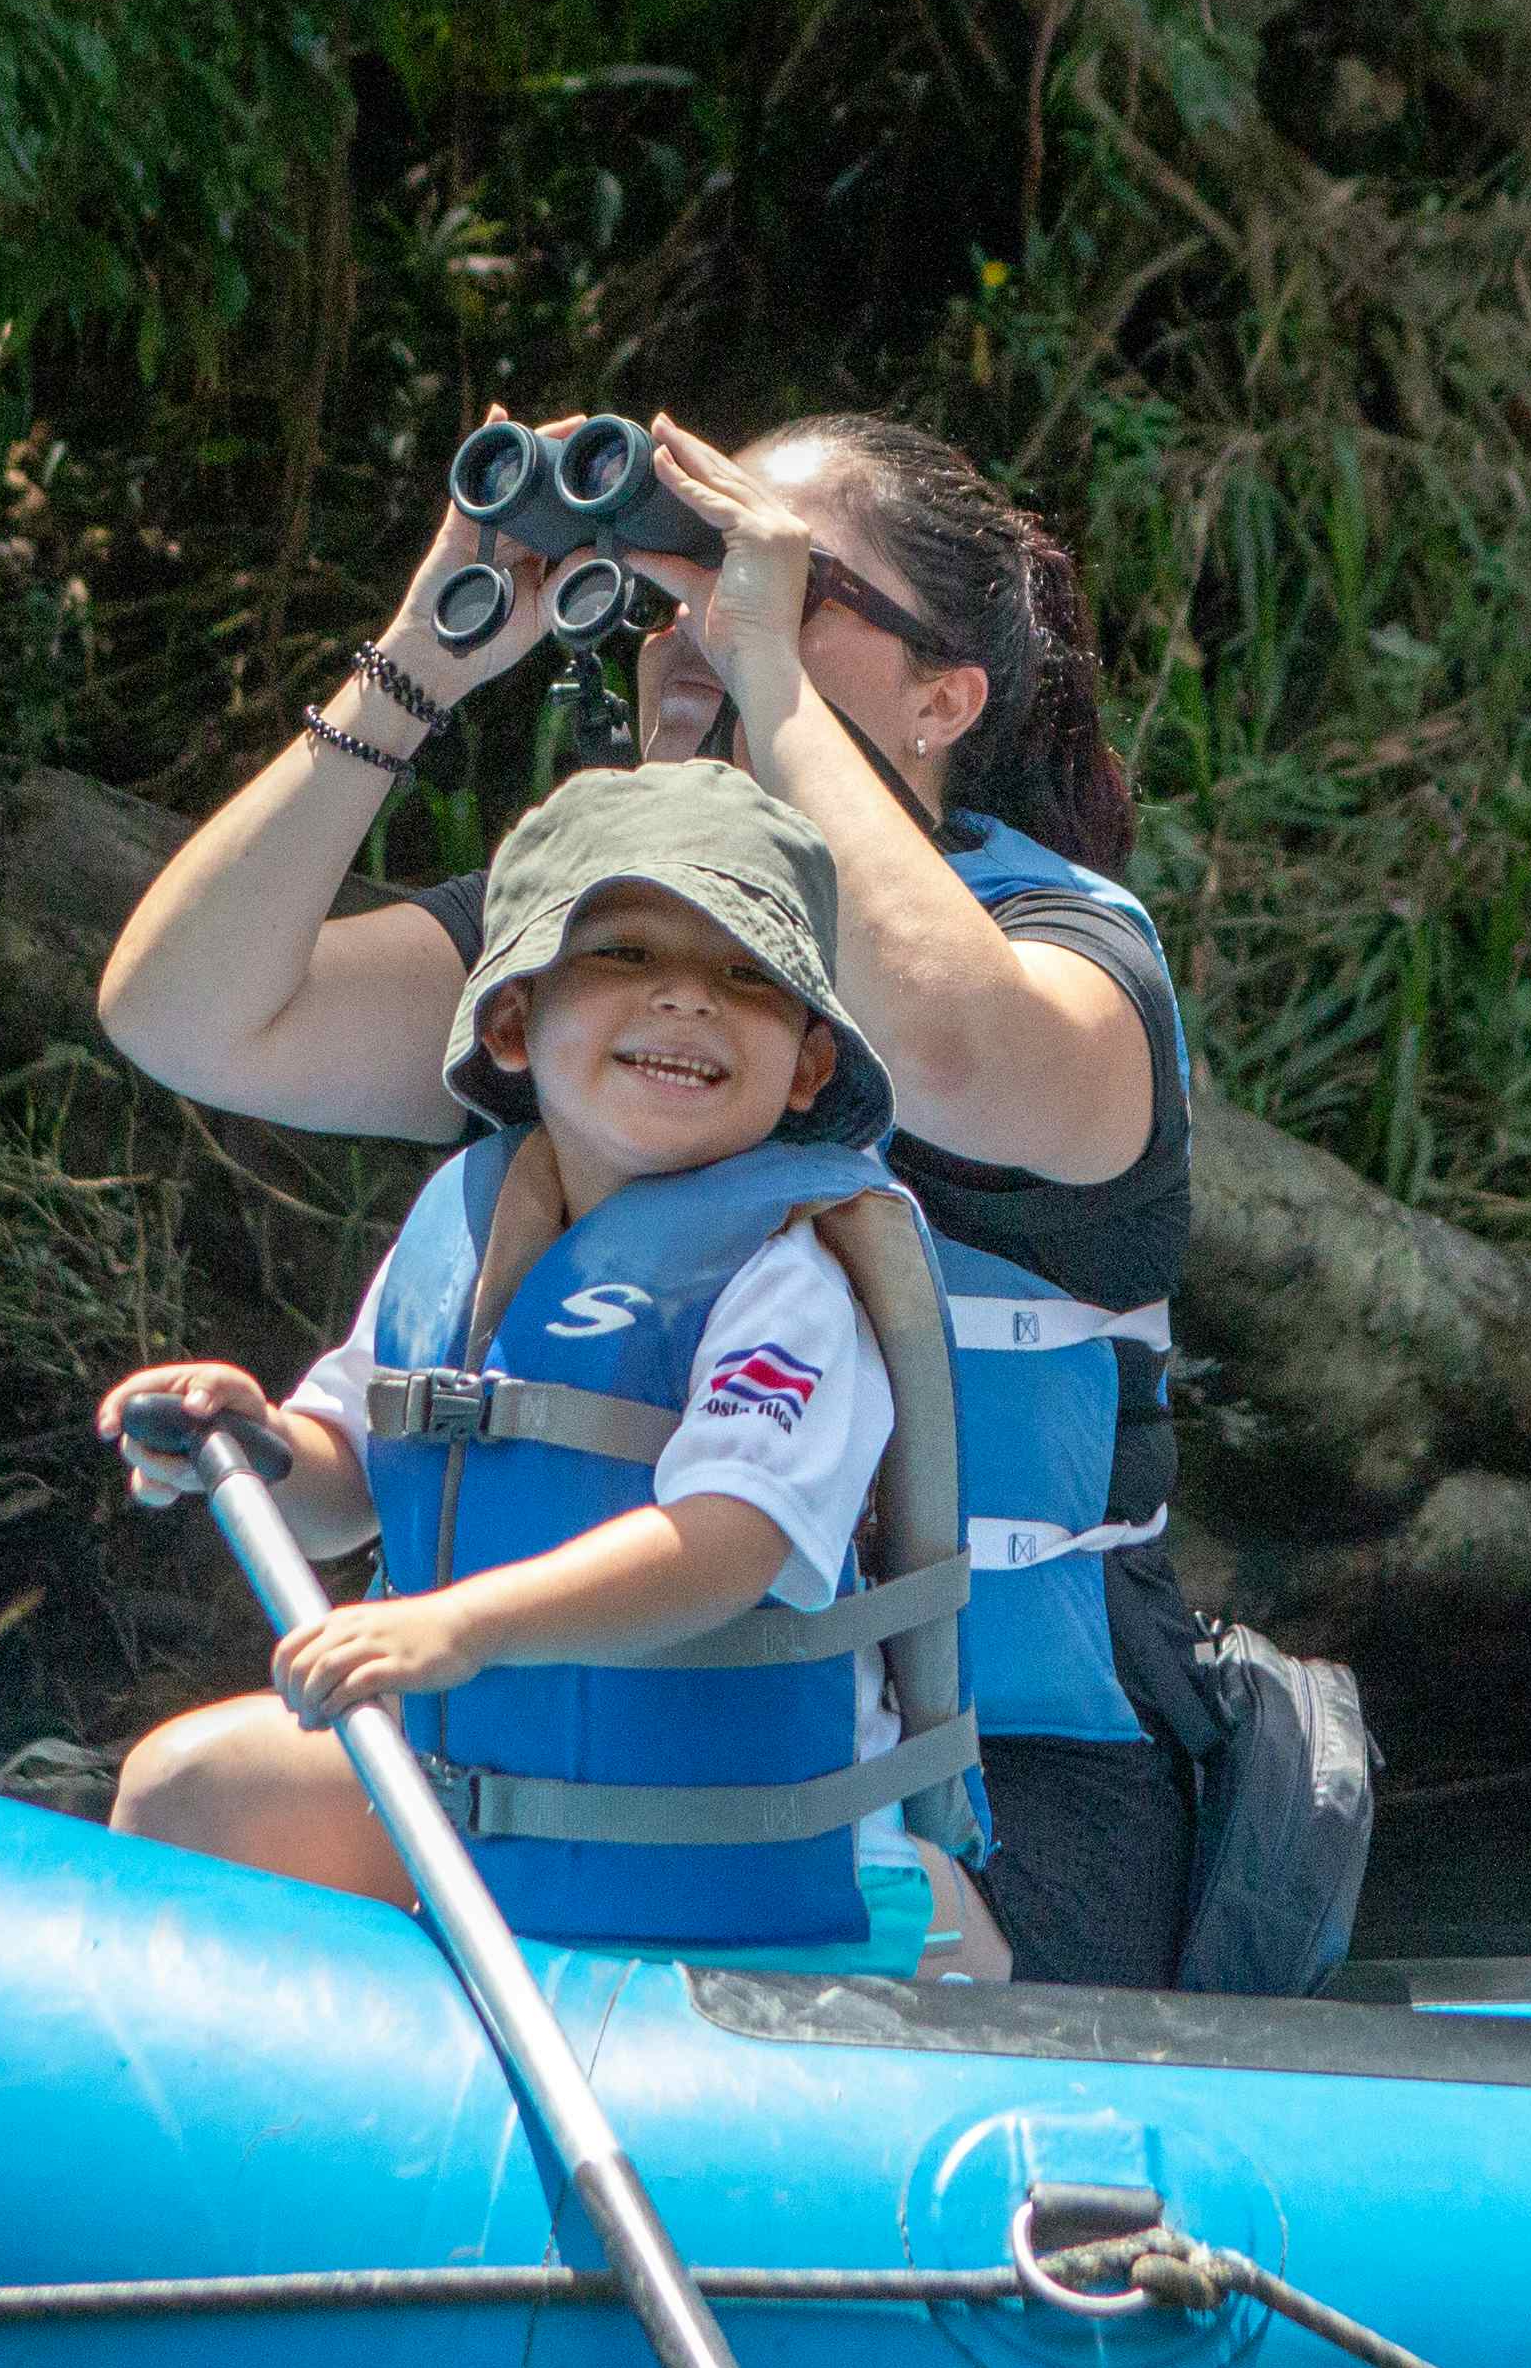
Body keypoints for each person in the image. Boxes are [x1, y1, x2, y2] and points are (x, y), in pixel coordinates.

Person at [98, 407, 1210, 1983]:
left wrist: (770, 684)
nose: (703, 613)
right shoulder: (592, 948)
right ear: (519, 1020)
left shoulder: (1067, 956)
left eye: (779, 576)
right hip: (573, 1733)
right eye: (678, 574)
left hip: (985, 1800)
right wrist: (422, 661)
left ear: (944, 697)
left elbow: (954, 1052)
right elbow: (188, 1018)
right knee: (197, 1791)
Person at [90, 763, 1001, 1976]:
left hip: (752, 1874)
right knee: (185, 1786)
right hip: (487, 1806)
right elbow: (344, 1483)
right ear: (513, 1023)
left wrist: (463, 1627)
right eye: (624, 953)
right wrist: (251, 1448)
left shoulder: (792, 1277)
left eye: (748, 976)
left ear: (806, 1068)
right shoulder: (468, 1232)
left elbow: (730, 1543)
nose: (688, 997)